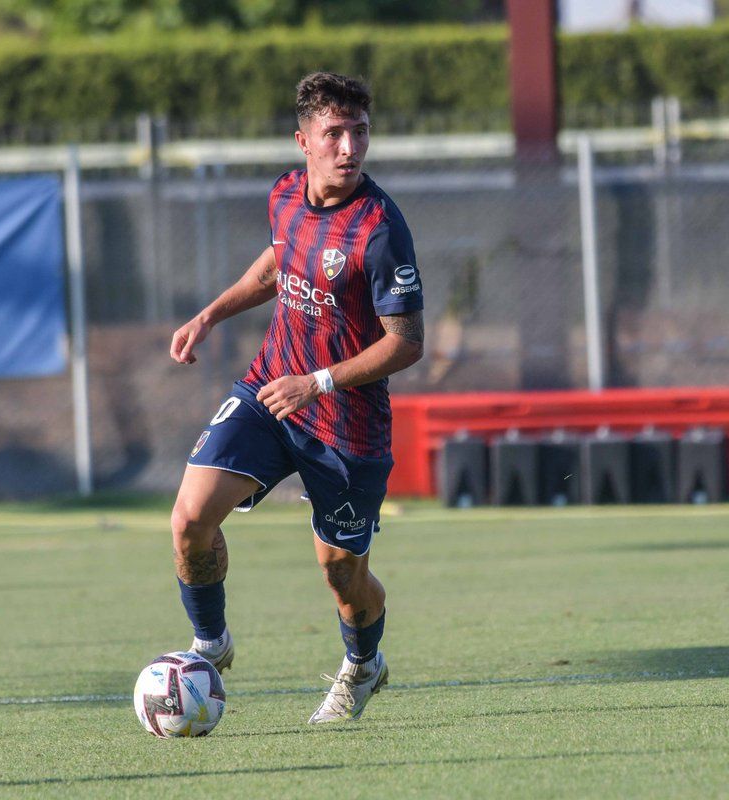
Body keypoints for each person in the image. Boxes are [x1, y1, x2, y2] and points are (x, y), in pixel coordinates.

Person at [167, 71, 425, 724]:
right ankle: (209, 645)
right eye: (334, 133)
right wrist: (211, 314)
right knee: (190, 520)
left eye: (359, 132)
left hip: (345, 424)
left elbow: (408, 342)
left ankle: (364, 664)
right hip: (270, 390)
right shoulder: (285, 194)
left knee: (344, 579)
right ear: (303, 140)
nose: (349, 148)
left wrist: (322, 381)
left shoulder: (381, 228)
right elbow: (279, 262)